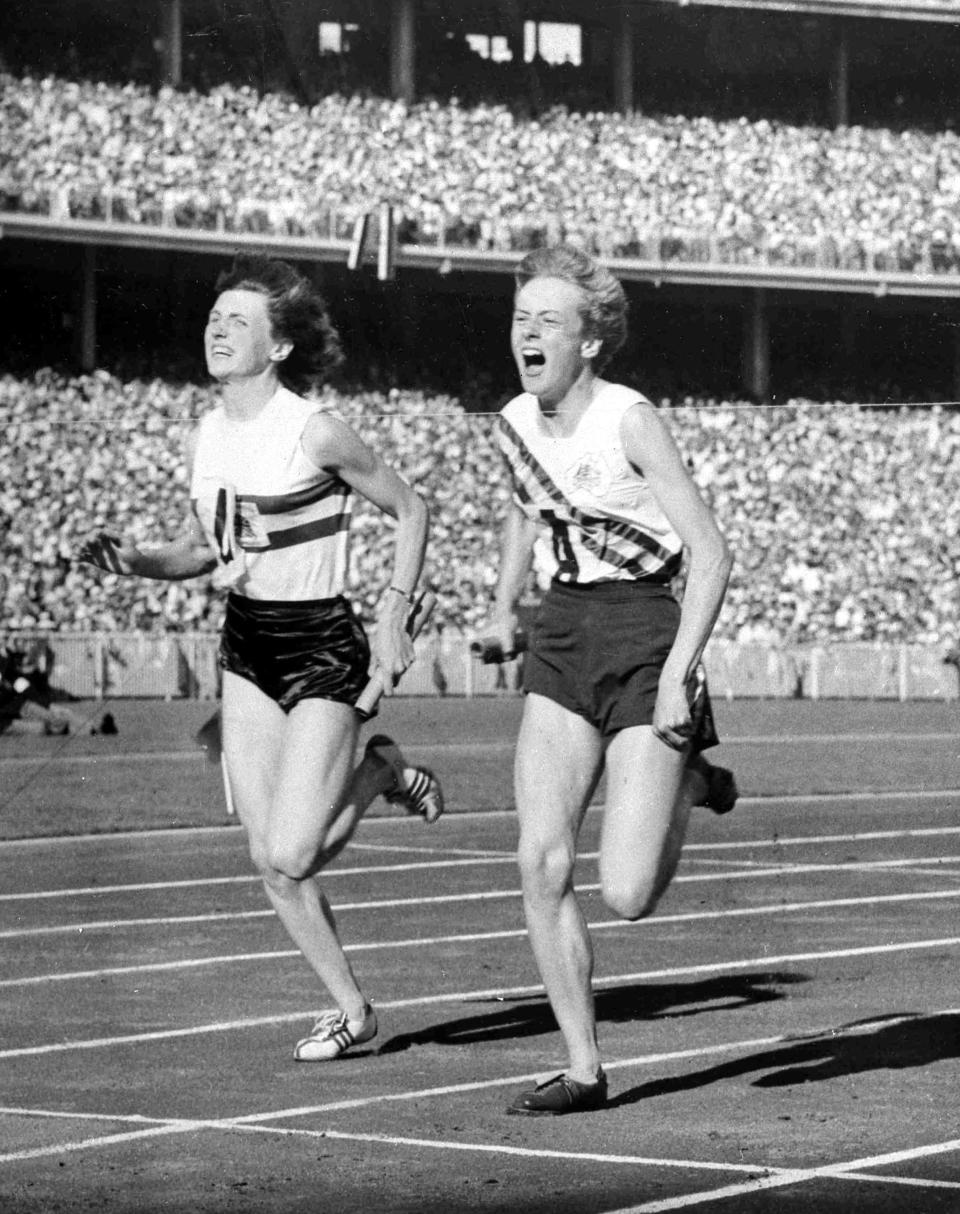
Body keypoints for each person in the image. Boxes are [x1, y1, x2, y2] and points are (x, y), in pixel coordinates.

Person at [79, 254, 442, 1061]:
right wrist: (133, 559)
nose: (217, 328)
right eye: (214, 318)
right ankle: (354, 1011)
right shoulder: (207, 433)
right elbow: (204, 551)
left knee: (293, 850)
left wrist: (394, 612)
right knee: (267, 860)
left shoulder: (313, 430)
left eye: (237, 321)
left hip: (321, 644)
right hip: (246, 645)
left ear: (277, 348)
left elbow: (411, 507)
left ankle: (378, 767)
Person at [489, 245, 736, 1115]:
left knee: (626, 893)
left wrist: (679, 675)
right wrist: (500, 604)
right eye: (522, 318)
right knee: (539, 860)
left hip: (642, 632)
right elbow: (530, 509)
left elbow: (709, 553)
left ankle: (690, 778)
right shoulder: (514, 422)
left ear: (589, 342)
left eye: (548, 321)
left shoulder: (631, 421)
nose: (529, 332)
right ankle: (585, 1067)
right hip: (560, 635)